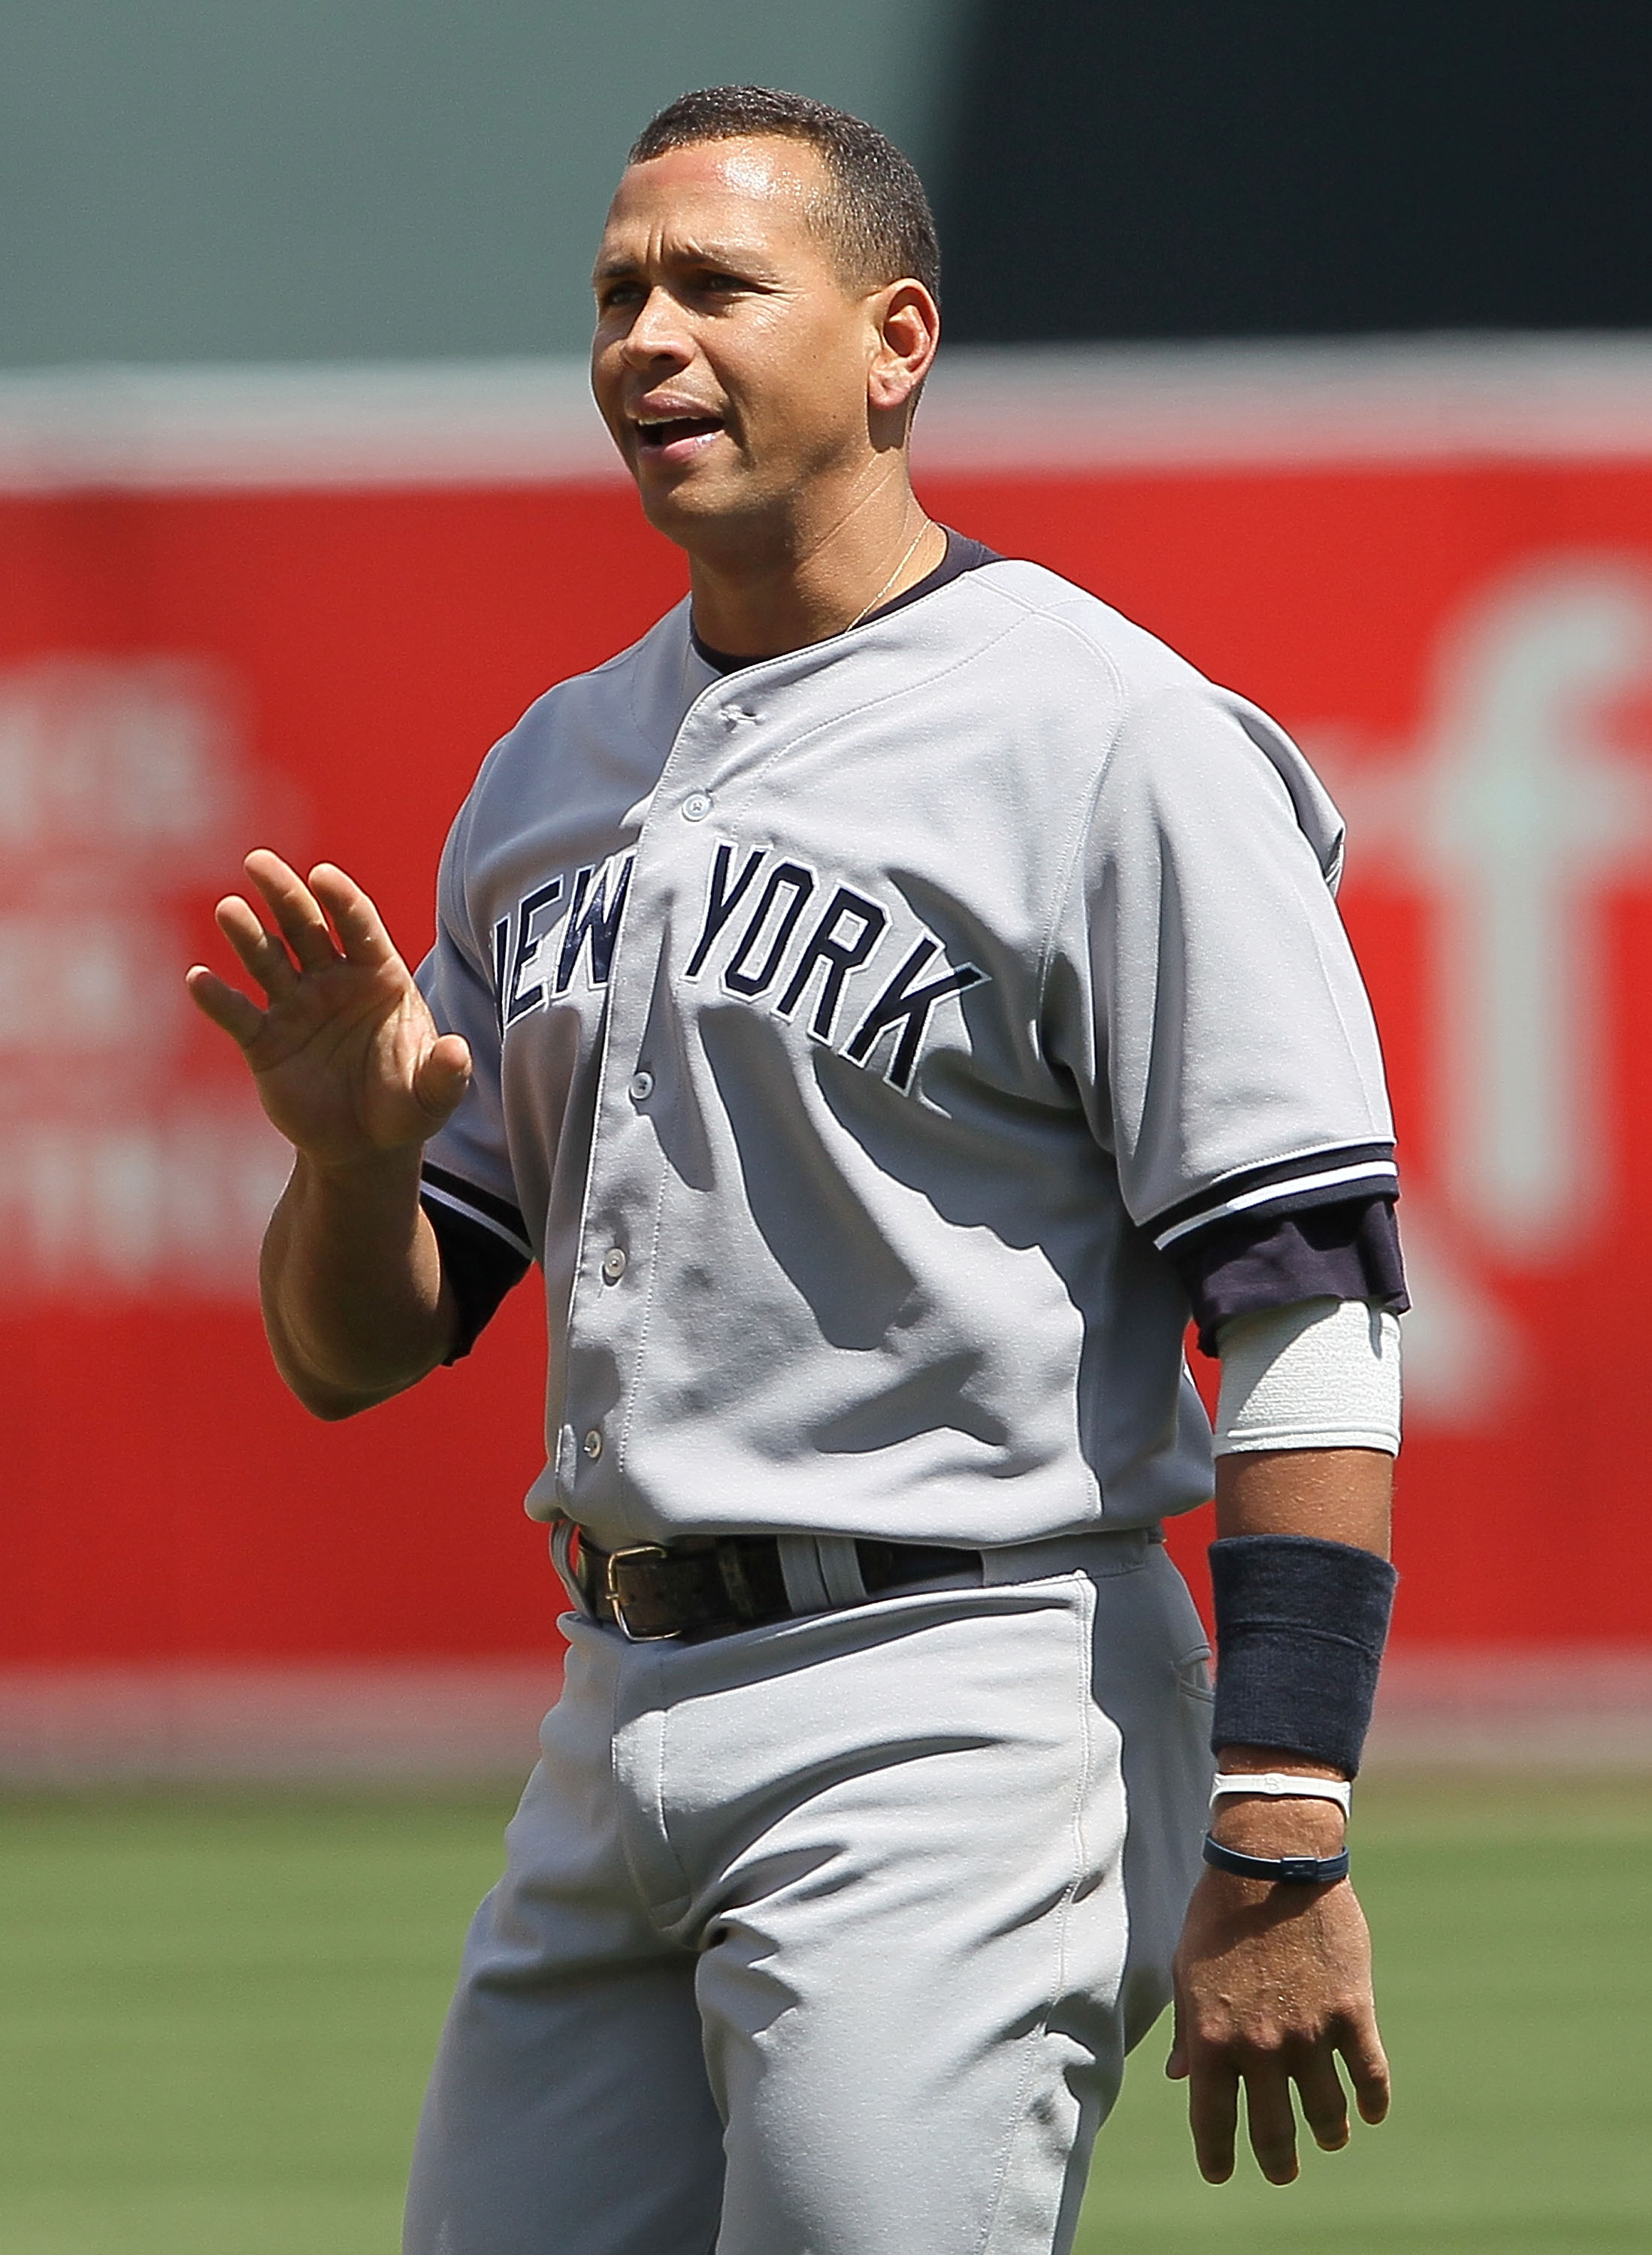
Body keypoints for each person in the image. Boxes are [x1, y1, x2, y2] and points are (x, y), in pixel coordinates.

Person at [188, 85, 1406, 2255]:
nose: (648, 335)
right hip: (614, 1705)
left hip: (962, 1702)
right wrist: (346, 1160)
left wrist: (1288, 1821)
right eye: (615, 293)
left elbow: (1306, 1301)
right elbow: (361, 1351)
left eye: (719, 285)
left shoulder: (1108, 736)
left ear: (894, 341)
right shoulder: (554, 770)